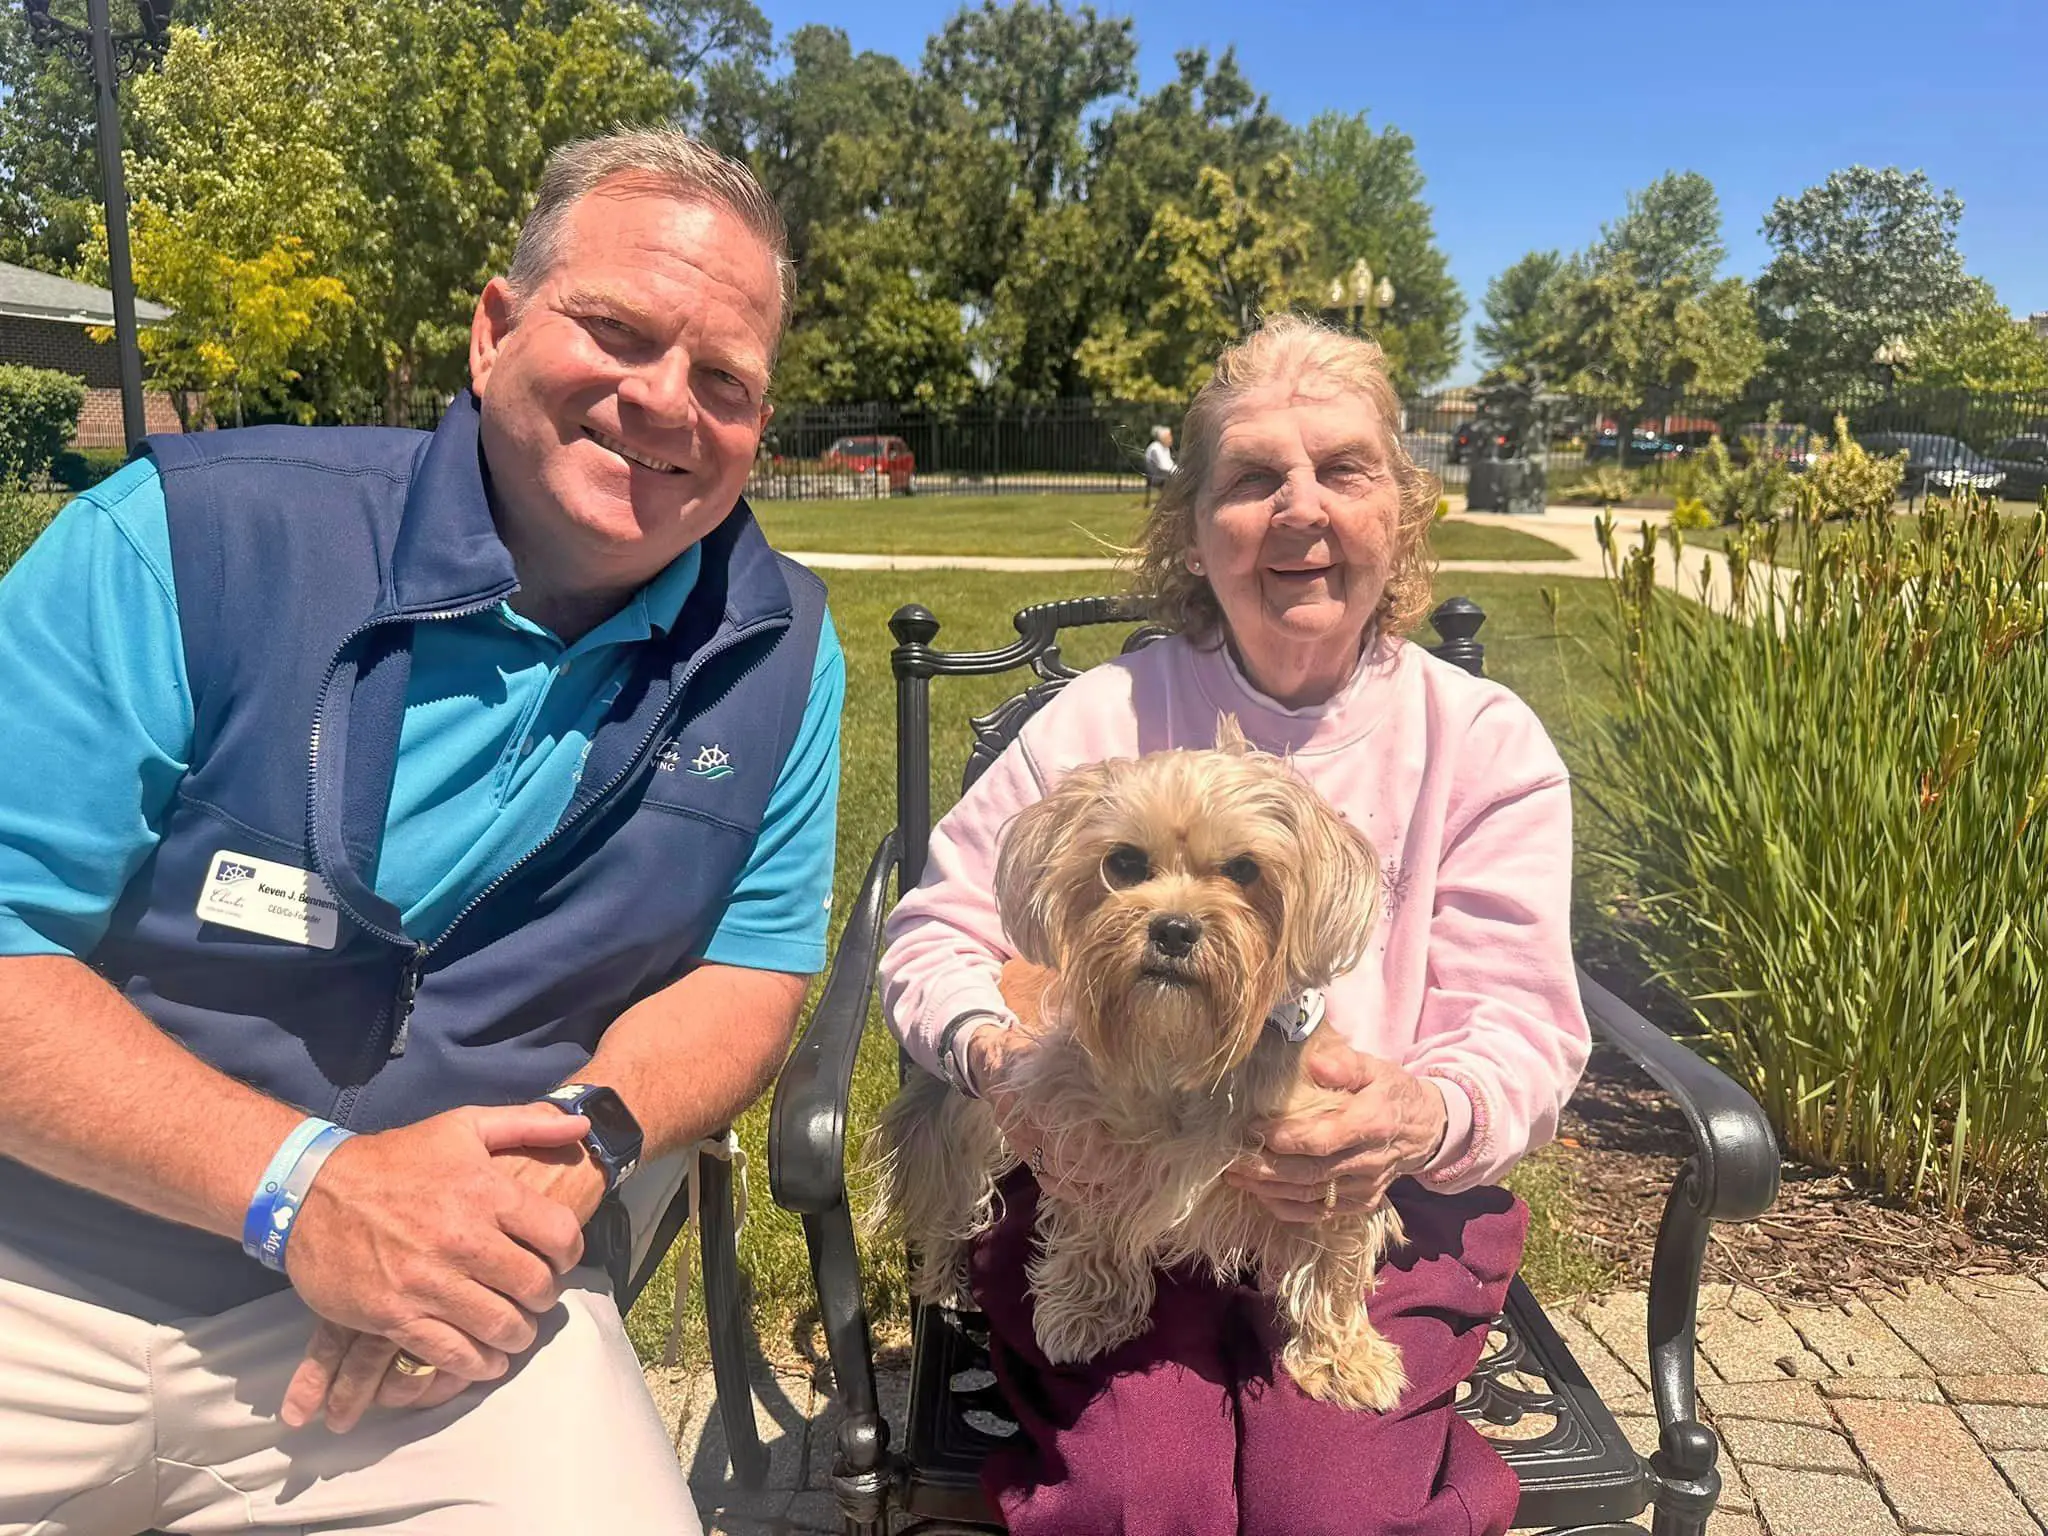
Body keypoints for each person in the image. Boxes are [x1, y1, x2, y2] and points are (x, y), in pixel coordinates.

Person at [0, 129, 842, 1535]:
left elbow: (752, 970)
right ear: (494, 330)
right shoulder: (190, 539)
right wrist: (304, 1194)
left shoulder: (782, 653)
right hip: (42, 1256)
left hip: (450, 1318)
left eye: (724, 380)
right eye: (618, 331)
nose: (661, 402)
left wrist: (571, 1158)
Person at [879, 314, 1589, 1535]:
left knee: (1333, 1504)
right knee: (1133, 1493)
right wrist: (1003, 1066)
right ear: (1192, 528)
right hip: (1107, 1194)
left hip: (1370, 1210)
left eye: (1343, 470)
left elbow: (1520, 1024)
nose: (1300, 511)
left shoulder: (1479, 745)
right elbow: (934, 936)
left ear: (1400, 513)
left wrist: (1419, 1115)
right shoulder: (1100, 715)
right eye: (1254, 478)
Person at [1142, 423, 1175, 503]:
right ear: (1163, 438)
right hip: (1156, 476)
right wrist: (1178, 472)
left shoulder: (1165, 448)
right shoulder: (1155, 448)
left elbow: (1169, 463)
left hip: (1164, 474)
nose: (1171, 439)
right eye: (1169, 436)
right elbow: (1162, 465)